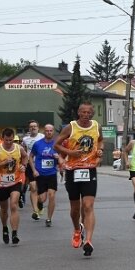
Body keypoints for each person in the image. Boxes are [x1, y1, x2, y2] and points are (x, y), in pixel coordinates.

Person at [54, 101, 104, 257]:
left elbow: (100, 140)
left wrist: (100, 151)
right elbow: (56, 145)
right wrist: (70, 152)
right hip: (72, 170)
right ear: (79, 113)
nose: (86, 115)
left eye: (89, 112)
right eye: (83, 112)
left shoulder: (96, 126)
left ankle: (88, 240)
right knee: (75, 209)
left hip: (90, 169)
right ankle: (77, 229)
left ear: (92, 114)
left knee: (88, 206)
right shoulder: (71, 127)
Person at [0, 127, 28, 245]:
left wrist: (24, 165)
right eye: (7, 140)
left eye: (11, 140)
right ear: (2, 139)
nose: (9, 142)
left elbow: (25, 156)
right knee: (4, 209)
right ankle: (5, 228)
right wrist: (3, 163)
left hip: (15, 181)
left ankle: (14, 233)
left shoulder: (19, 148)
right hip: (1, 184)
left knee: (14, 205)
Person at [29, 124, 62, 227]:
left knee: (52, 195)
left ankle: (49, 218)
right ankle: (39, 203)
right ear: (44, 132)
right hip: (41, 174)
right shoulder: (37, 144)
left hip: (52, 174)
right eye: (47, 131)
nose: (49, 132)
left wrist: (58, 158)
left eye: (51, 131)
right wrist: (34, 170)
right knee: (42, 199)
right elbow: (30, 157)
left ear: (53, 132)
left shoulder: (57, 144)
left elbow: (62, 158)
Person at [23, 120, 45, 220]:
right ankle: (35, 211)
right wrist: (23, 163)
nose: (33, 128)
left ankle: (40, 203)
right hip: (30, 165)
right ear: (29, 128)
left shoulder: (42, 137)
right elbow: (24, 152)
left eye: (35, 126)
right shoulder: (25, 139)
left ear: (38, 128)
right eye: (31, 126)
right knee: (33, 187)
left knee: (41, 191)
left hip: (42, 165)